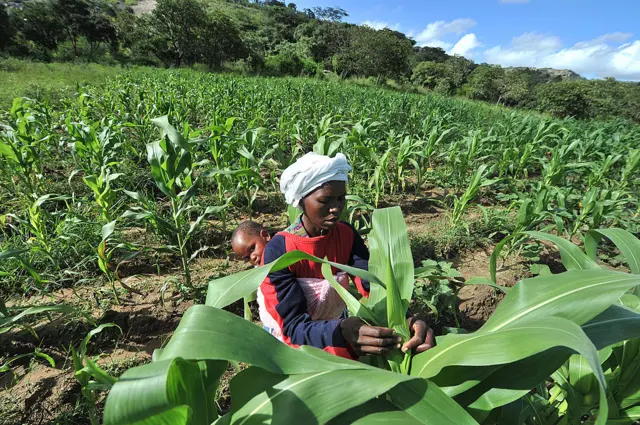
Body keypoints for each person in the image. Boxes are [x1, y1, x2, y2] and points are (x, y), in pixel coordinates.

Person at [257, 152, 434, 360]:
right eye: (325, 200)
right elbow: (293, 328)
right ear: (301, 200)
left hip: (339, 330)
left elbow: (374, 287)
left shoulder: (346, 235)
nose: (336, 209)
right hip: (298, 346)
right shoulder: (280, 250)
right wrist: (340, 331)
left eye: (341, 198)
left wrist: (407, 319)